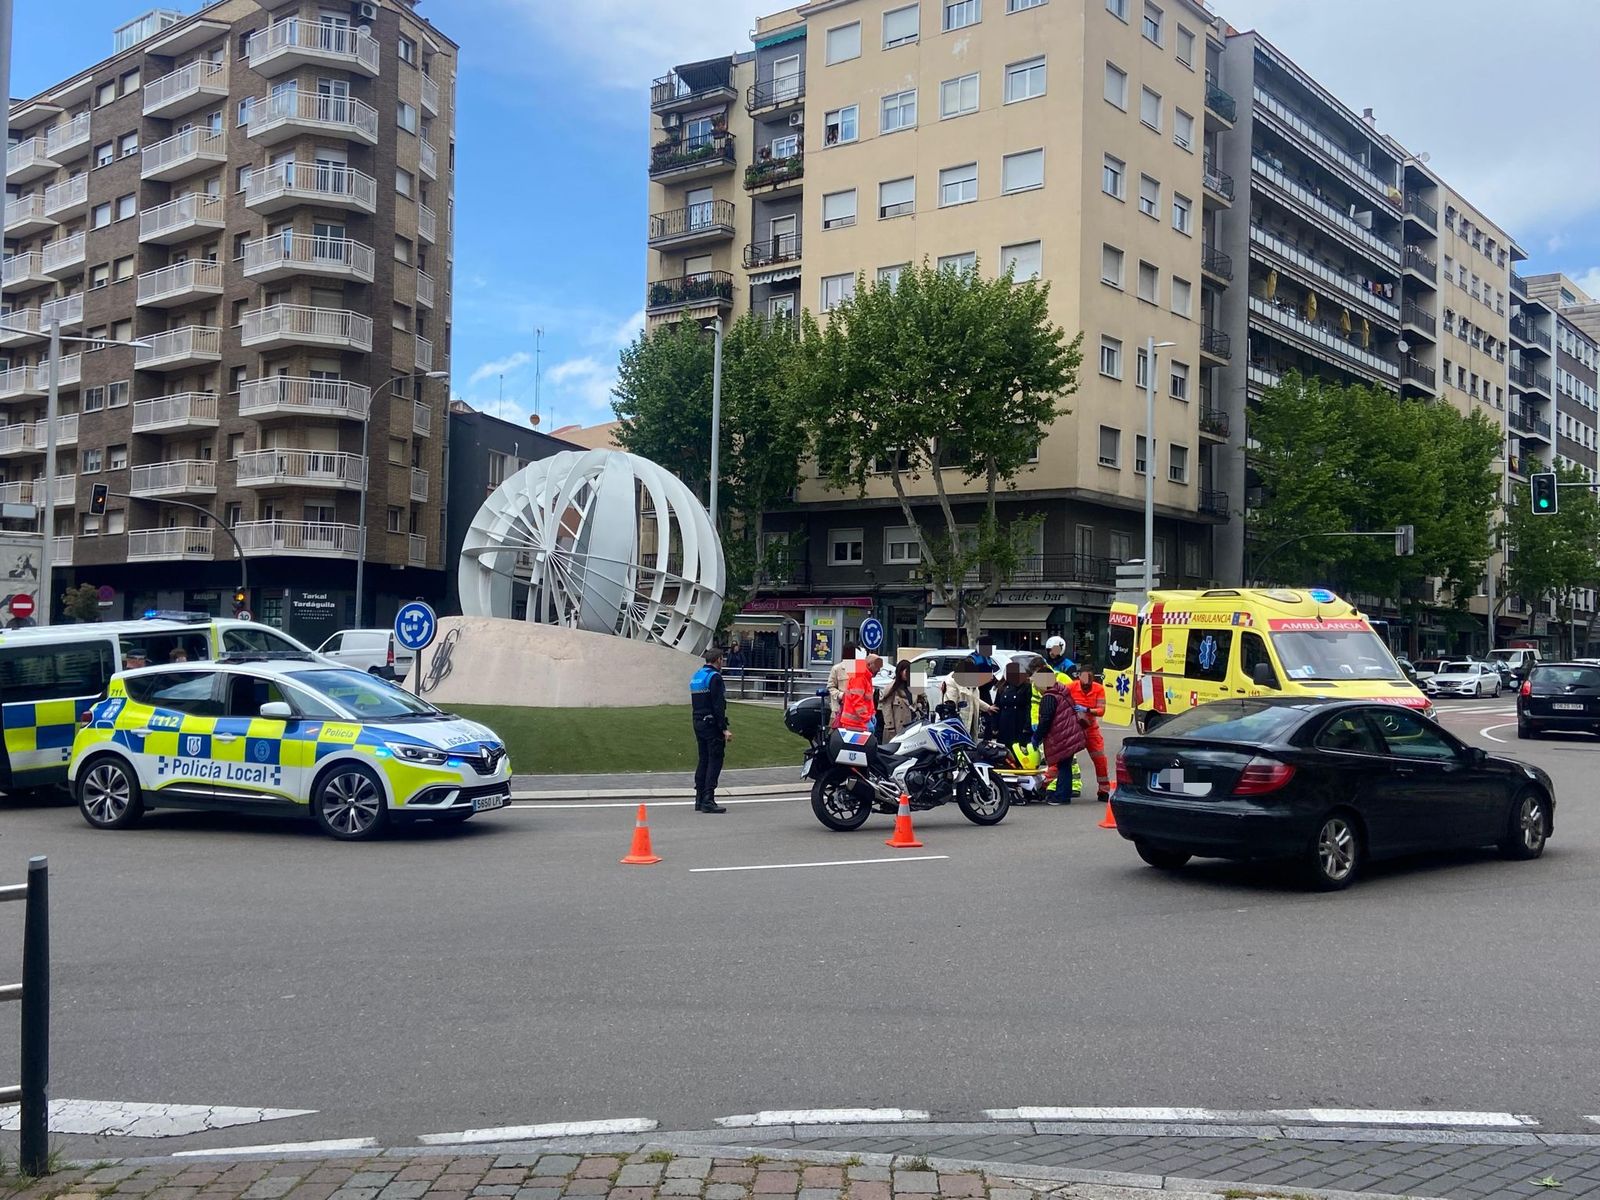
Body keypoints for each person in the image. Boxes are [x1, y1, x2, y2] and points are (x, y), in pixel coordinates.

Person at [1033, 664, 1087, 805]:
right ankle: (1064, 794)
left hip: (1062, 735)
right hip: (1070, 732)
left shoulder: (1049, 697)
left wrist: (1037, 737)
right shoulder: (1061, 690)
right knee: (1066, 765)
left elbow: (1045, 720)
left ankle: (1061, 796)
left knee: (1063, 766)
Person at [689, 647, 732, 814]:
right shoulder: (715, 677)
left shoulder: (697, 676)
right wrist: (724, 729)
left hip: (698, 721)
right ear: (718, 659)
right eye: (722, 659)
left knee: (703, 759)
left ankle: (699, 798)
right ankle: (708, 799)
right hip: (711, 723)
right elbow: (718, 705)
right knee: (715, 760)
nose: (723, 662)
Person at [1067, 662, 1112, 803]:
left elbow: (1101, 710)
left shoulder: (1099, 689)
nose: (1086, 681)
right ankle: (1046, 786)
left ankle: (1104, 790)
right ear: (1079, 676)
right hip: (1074, 729)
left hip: (1091, 729)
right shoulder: (1071, 687)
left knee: (1100, 760)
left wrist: (1086, 710)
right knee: (1062, 758)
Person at [994, 660, 1033, 750]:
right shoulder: (1003, 686)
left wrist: (1027, 726)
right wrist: (995, 725)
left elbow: (1029, 707)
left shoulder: (1026, 687)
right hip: (1004, 724)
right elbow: (997, 706)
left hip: (1019, 724)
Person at [879, 660, 919, 742]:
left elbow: (919, 702)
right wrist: (890, 727)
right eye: (906, 671)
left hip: (911, 726)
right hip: (895, 729)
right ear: (900, 672)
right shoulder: (891, 688)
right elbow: (887, 709)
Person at [826, 641, 860, 727]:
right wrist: (841, 695)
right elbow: (831, 687)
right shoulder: (837, 668)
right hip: (839, 710)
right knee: (835, 732)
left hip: (857, 711)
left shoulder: (860, 668)